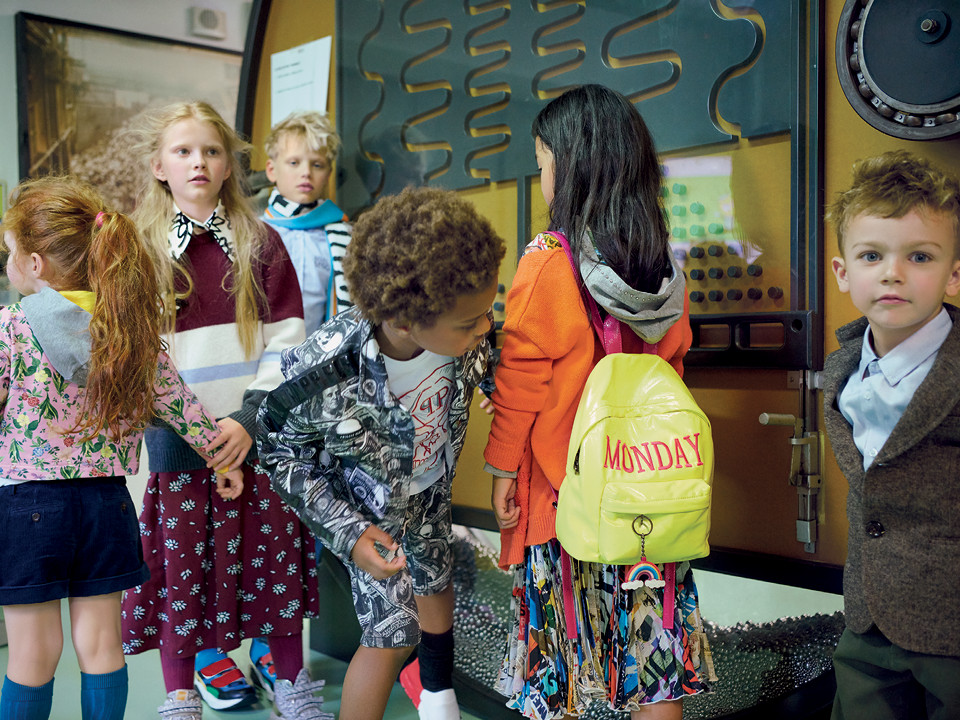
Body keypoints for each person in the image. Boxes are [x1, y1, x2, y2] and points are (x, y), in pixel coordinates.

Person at [484, 84, 715, 720]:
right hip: (649, 500)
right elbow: (673, 371)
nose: (541, 178)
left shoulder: (548, 263)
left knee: (561, 675)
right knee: (654, 670)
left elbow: (521, 381)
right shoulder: (661, 268)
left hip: (568, 501)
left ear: (571, 165)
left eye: (541, 162)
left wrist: (501, 469)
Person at [0, 176, 243, 720]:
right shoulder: (129, 331)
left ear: (35, 264)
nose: (8, 264)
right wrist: (221, 458)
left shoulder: (10, 327)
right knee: (102, 646)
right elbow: (183, 407)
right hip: (107, 505)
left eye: (9, 253)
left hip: (25, 505)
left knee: (32, 653)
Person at [259, 186, 506, 720]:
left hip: (429, 492)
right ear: (405, 321)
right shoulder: (326, 369)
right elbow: (277, 450)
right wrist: (349, 532)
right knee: (392, 635)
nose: (485, 327)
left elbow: (493, 356)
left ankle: (437, 695)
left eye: (487, 312)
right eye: (471, 322)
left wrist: (497, 390)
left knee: (436, 582)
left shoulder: (460, 325)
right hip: (370, 516)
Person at [118, 101, 324, 720]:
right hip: (179, 443)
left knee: (274, 564)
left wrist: (247, 421)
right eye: (183, 151)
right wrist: (201, 434)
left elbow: (288, 341)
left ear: (229, 165)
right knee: (182, 569)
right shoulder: (138, 250)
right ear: (158, 165)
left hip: (256, 436)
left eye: (211, 150)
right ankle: (181, 693)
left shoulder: (263, 243)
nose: (199, 162)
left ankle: (290, 682)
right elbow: (140, 357)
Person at [822, 150, 960, 720]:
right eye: (871, 255)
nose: (892, 273)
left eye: (919, 256)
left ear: (954, 273)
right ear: (843, 272)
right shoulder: (840, 367)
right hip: (867, 621)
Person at [263, 110, 352, 337]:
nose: (306, 173)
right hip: (265, 352)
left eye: (317, 165)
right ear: (271, 170)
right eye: (294, 162)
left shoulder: (343, 235)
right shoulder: (255, 232)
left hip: (324, 352)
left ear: (328, 173)